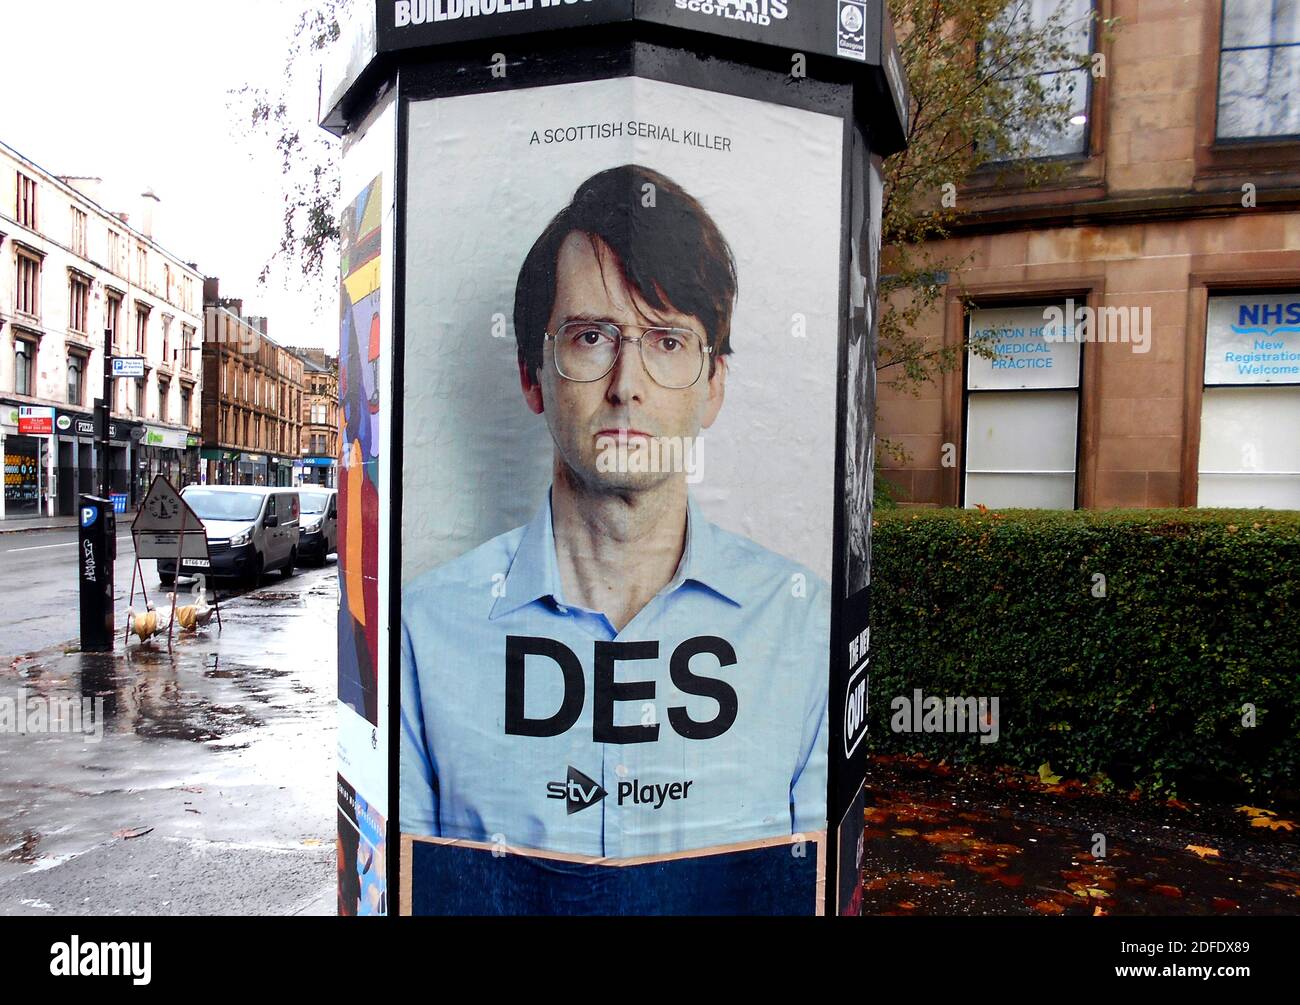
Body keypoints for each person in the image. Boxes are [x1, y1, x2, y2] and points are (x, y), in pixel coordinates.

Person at [401, 164, 829, 859]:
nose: (627, 386)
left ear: (713, 384)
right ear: (531, 374)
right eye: (591, 337)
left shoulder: (801, 628)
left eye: (667, 341)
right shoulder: (424, 633)